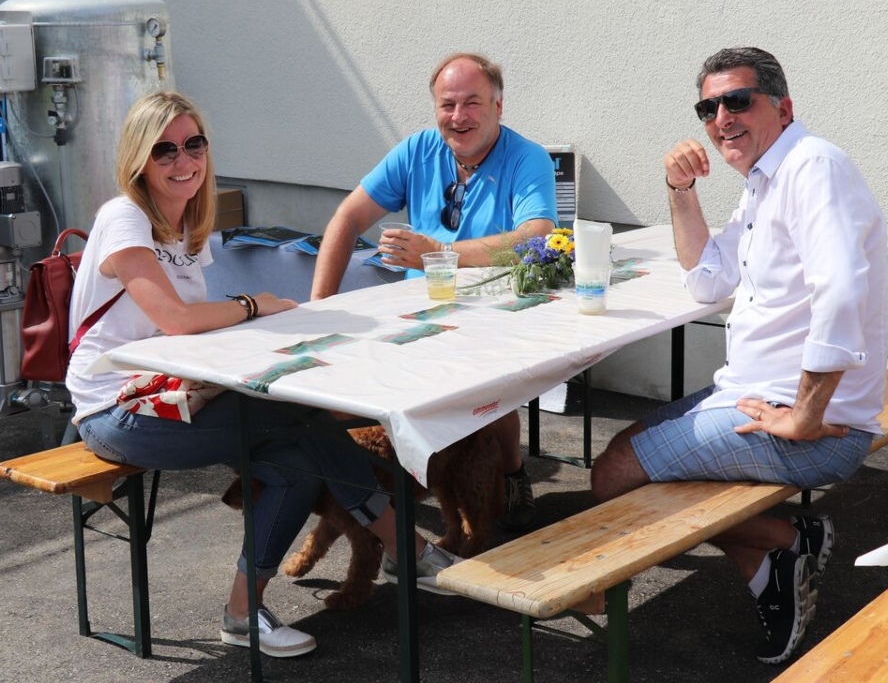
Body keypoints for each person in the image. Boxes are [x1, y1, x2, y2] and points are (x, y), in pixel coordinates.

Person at [66, 92, 461, 660]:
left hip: (175, 394)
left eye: (193, 144)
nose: (183, 160)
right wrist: (254, 305)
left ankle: (243, 614)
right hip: (117, 410)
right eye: (164, 150)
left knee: (297, 467)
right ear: (138, 160)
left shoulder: (184, 223)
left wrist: (259, 325)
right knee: (304, 420)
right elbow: (176, 320)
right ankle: (408, 550)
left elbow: (192, 332)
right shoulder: (123, 216)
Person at [589, 47, 888, 664]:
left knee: (615, 472)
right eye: (708, 108)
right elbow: (707, 279)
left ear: (783, 108)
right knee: (631, 445)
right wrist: (679, 189)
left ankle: (783, 540)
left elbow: (842, 292)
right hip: (753, 396)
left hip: (818, 428)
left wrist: (805, 415)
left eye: (737, 101)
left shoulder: (812, 168)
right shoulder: (763, 181)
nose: (721, 117)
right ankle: (780, 552)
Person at [312, 52, 558, 532]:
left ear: (498, 106)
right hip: (418, 314)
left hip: (496, 312)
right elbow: (347, 217)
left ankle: (511, 474)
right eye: (448, 104)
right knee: (341, 391)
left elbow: (536, 237)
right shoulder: (417, 150)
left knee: (488, 390)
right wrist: (318, 308)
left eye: (472, 103)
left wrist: (439, 252)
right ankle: (388, 492)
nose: (458, 116)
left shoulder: (526, 158)